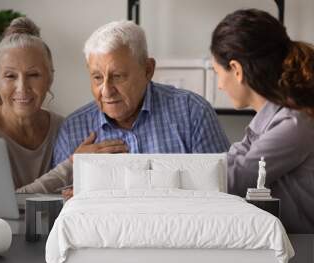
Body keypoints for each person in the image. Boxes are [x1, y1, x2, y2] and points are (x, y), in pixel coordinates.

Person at [0, 17, 126, 195]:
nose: (22, 87)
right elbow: (2, 204)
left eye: (33, 74)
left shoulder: (64, 128)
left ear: (50, 79)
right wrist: (73, 164)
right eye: (10, 76)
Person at [52, 20, 230, 171]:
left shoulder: (193, 113)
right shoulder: (73, 131)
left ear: (148, 70)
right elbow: (61, 205)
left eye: (118, 76)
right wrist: (79, 171)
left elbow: (222, 191)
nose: (106, 91)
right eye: (97, 78)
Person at [210, 9, 314, 233]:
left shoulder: (296, 122)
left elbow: (236, 178)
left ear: (236, 70)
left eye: (218, 73)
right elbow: (232, 160)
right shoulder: (269, 119)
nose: (219, 85)